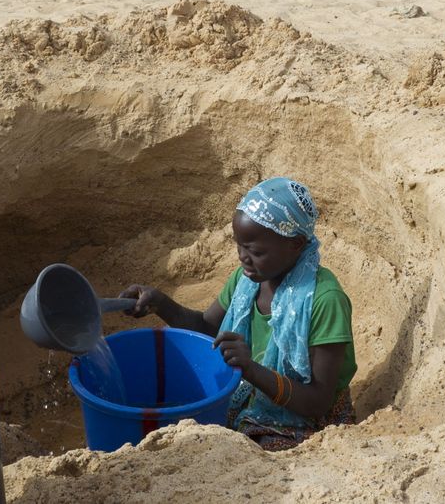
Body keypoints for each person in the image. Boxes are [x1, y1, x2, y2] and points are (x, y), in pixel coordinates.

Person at [120, 178, 356, 450]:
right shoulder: (247, 281)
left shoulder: (325, 301)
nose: (243, 257)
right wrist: (160, 303)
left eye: (255, 251)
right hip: (257, 392)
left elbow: (317, 402)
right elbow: (208, 329)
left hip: (309, 419)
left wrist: (251, 370)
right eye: (240, 246)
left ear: (297, 244)